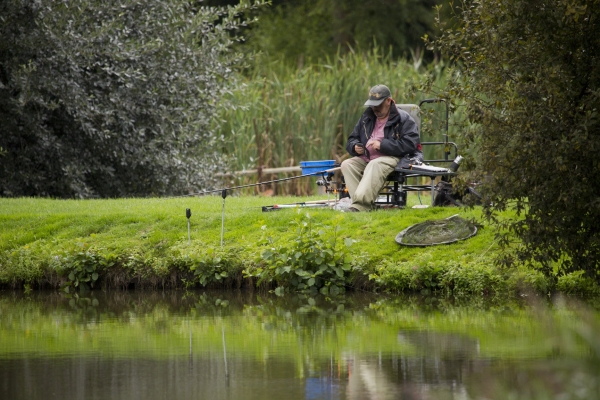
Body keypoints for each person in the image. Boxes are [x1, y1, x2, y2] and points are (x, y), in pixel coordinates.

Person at [340, 84, 422, 211]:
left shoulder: (404, 118)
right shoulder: (366, 117)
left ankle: (360, 206)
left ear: (389, 101)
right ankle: (361, 205)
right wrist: (355, 147)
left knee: (375, 164)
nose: (375, 108)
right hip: (366, 158)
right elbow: (352, 138)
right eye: (372, 105)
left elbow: (410, 145)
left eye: (378, 104)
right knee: (346, 164)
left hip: (393, 158)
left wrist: (382, 145)